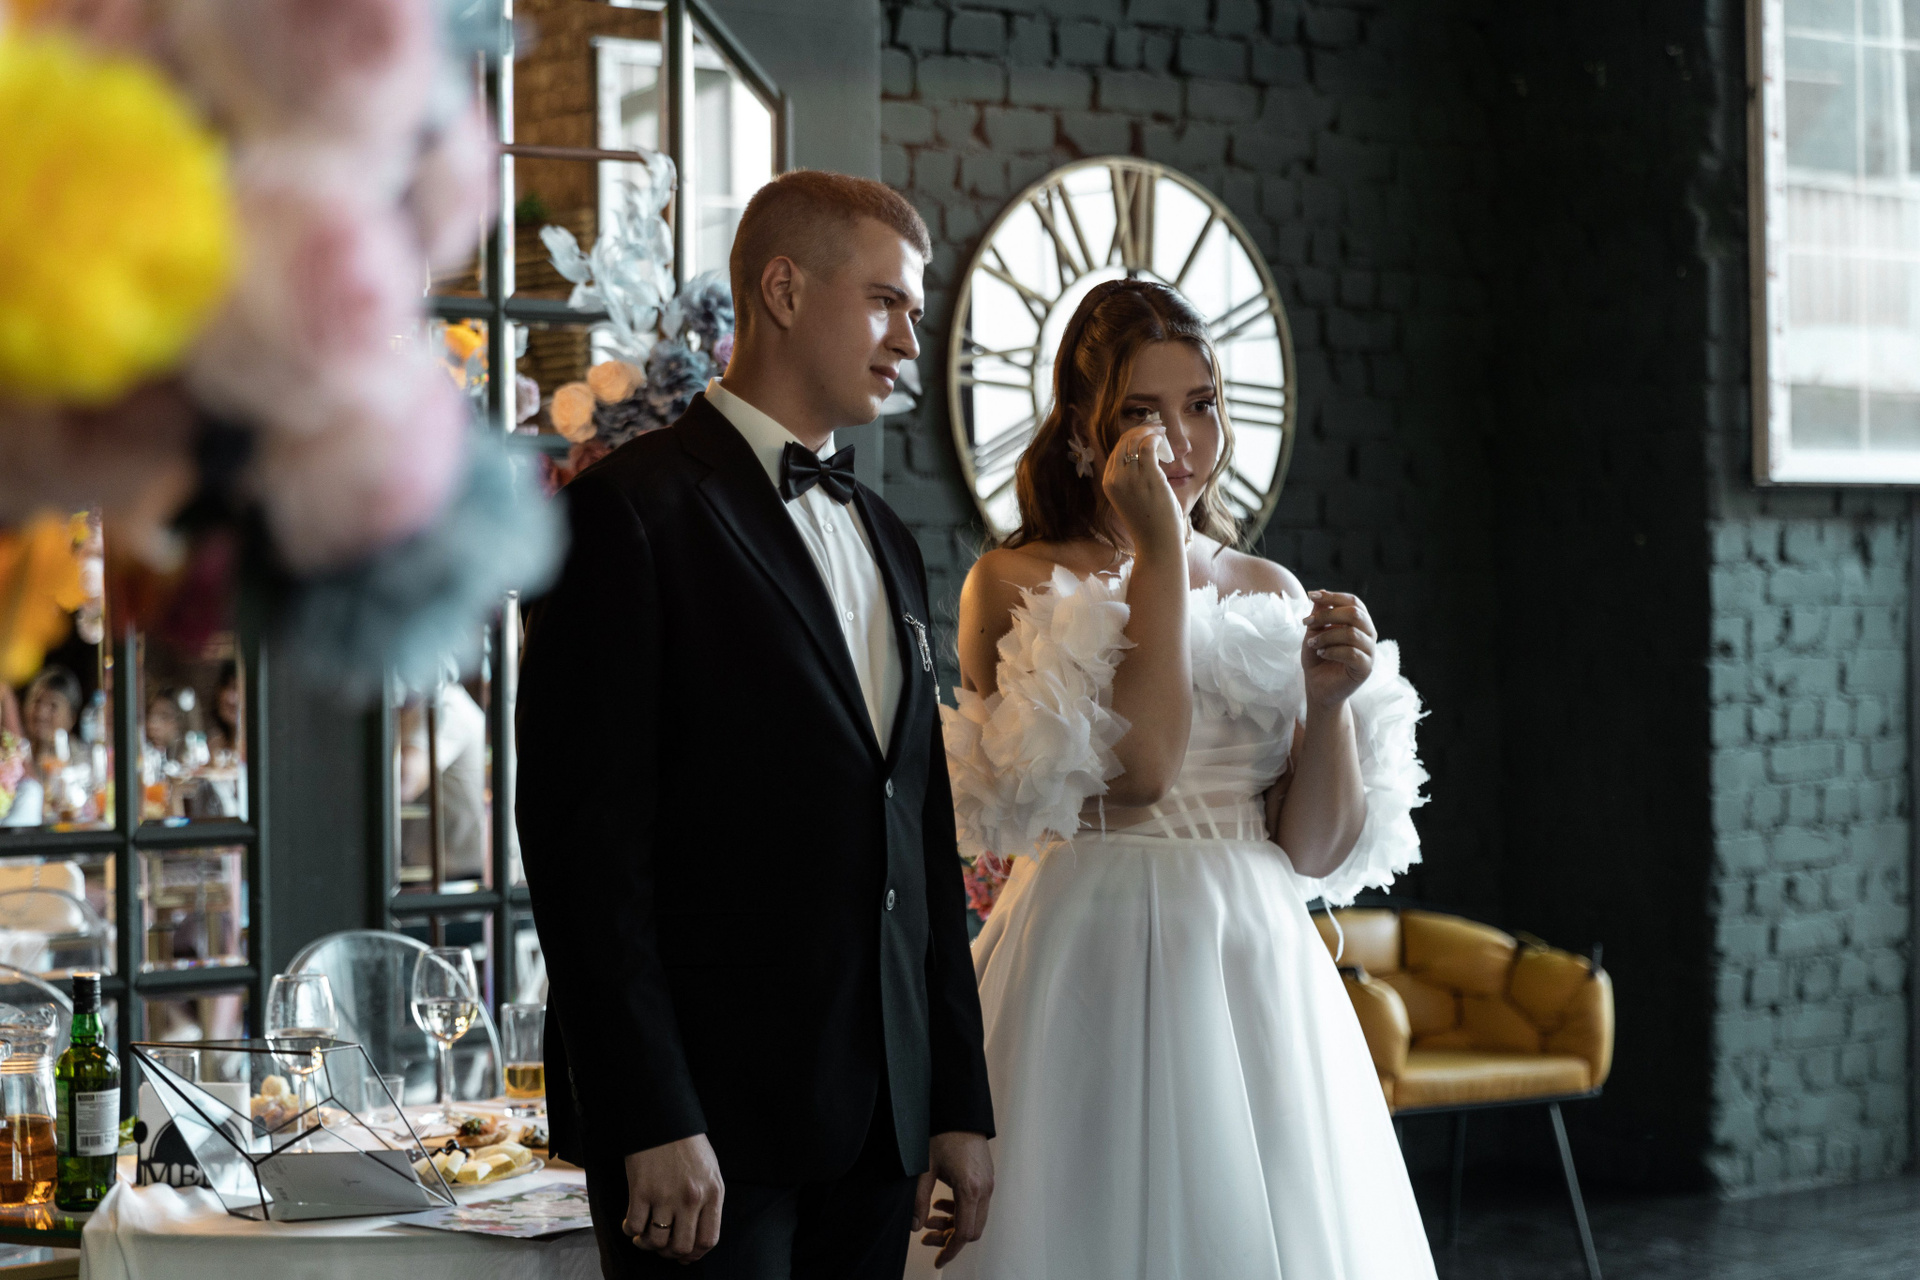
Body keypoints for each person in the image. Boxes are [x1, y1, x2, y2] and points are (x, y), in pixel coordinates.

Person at [516, 170, 995, 1280]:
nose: (908, 339)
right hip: (702, 1136)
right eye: (885, 301)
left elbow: (921, 832)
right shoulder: (622, 514)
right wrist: (650, 1112)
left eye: (914, 310)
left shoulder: (889, 537)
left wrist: (956, 1098)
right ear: (782, 289)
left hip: (879, 1125)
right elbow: (585, 853)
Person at [922, 280, 1436, 1278]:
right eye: (1142, 413)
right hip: (1089, 947)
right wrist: (1158, 548)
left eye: (1201, 404)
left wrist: (1329, 702)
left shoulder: (1267, 588)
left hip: (1254, 954)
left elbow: (1312, 849)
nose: (1181, 443)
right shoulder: (1014, 582)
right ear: (1085, 428)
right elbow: (1142, 774)